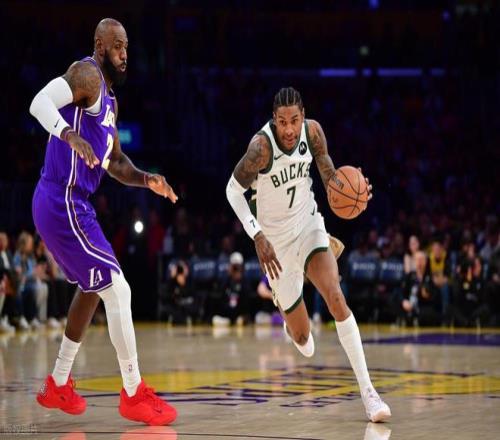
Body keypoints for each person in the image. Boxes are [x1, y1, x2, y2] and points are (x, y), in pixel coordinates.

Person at [29, 18, 178, 425]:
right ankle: (133, 391)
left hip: (73, 202)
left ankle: (59, 382)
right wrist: (68, 135)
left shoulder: (110, 101)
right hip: (60, 198)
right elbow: (39, 103)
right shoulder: (87, 75)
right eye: (117, 46)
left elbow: (114, 162)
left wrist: (146, 179)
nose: (124, 54)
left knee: (93, 288)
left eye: (126, 47)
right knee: (117, 287)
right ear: (99, 45)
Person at [225, 87, 391, 422]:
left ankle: (369, 393)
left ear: (303, 116)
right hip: (275, 244)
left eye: (294, 120)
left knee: (335, 297)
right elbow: (232, 190)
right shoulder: (260, 148)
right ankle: (291, 314)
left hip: (307, 224)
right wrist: (257, 235)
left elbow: (329, 177)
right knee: (304, 341)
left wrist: (353, 190)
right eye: (282, 122)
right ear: (274, 120)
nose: (289, 129)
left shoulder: (313, 133)